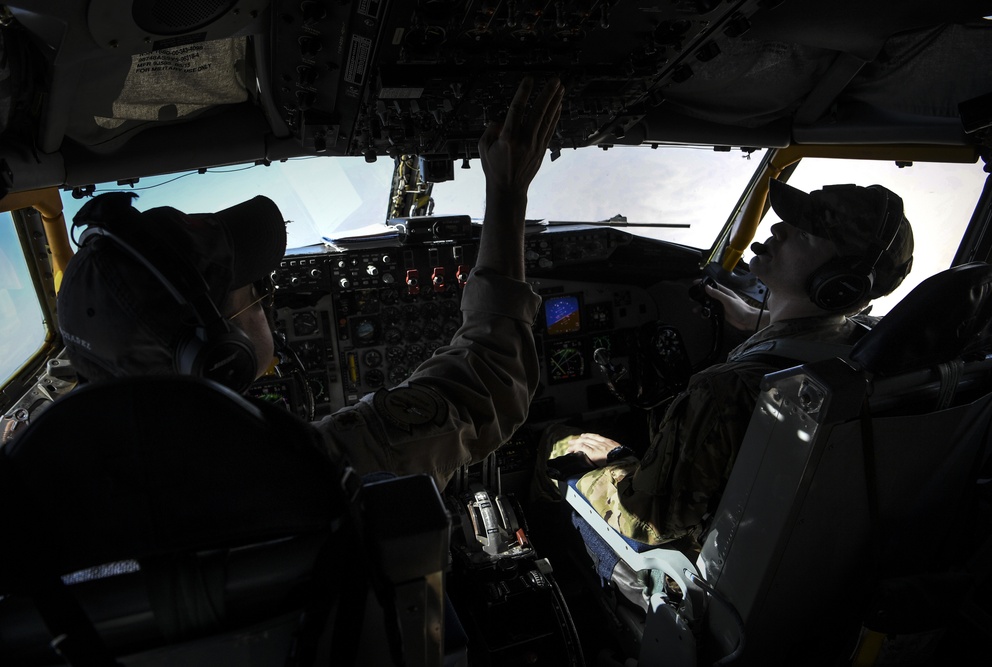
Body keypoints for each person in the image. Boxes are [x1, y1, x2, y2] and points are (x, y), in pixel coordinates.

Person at [53, 76, 564, 491]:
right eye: (257, 292)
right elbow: (491, 379)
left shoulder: (60, 499)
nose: (268, 303)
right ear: (219, 357)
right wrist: (508, 189)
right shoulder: (309, 472)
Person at [541, 179, 915, 555]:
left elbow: (646, 521)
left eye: (803, 233)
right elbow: (823, 331)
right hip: (817, 551)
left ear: (840, 283)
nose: (778, 228)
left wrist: (614, 460)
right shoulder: (883, 349)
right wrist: (761, 319)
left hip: (698, 565)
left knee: (553, 441)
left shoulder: (725, 390)